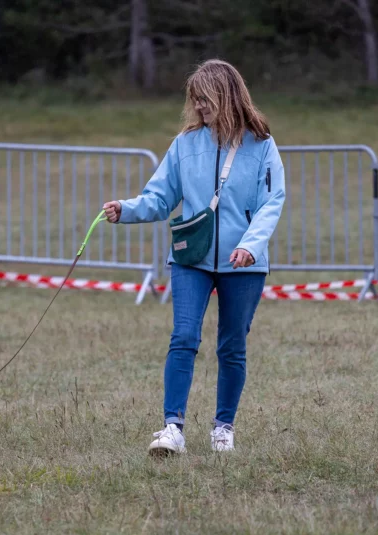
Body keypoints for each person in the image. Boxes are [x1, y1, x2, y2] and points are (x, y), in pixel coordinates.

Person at [103, 60, 285, 455]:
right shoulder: (184, 145)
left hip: (244, 263)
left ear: (227, 96)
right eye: (195, 100)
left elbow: (272, 202)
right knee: (183, 337)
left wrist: (250, 245)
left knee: (232, 346)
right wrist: (126, 209)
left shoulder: (262, 145)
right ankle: (172, 428)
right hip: (191, 259)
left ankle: (223, 428)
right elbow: (159, 197)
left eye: (206, 99)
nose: (199, 106)